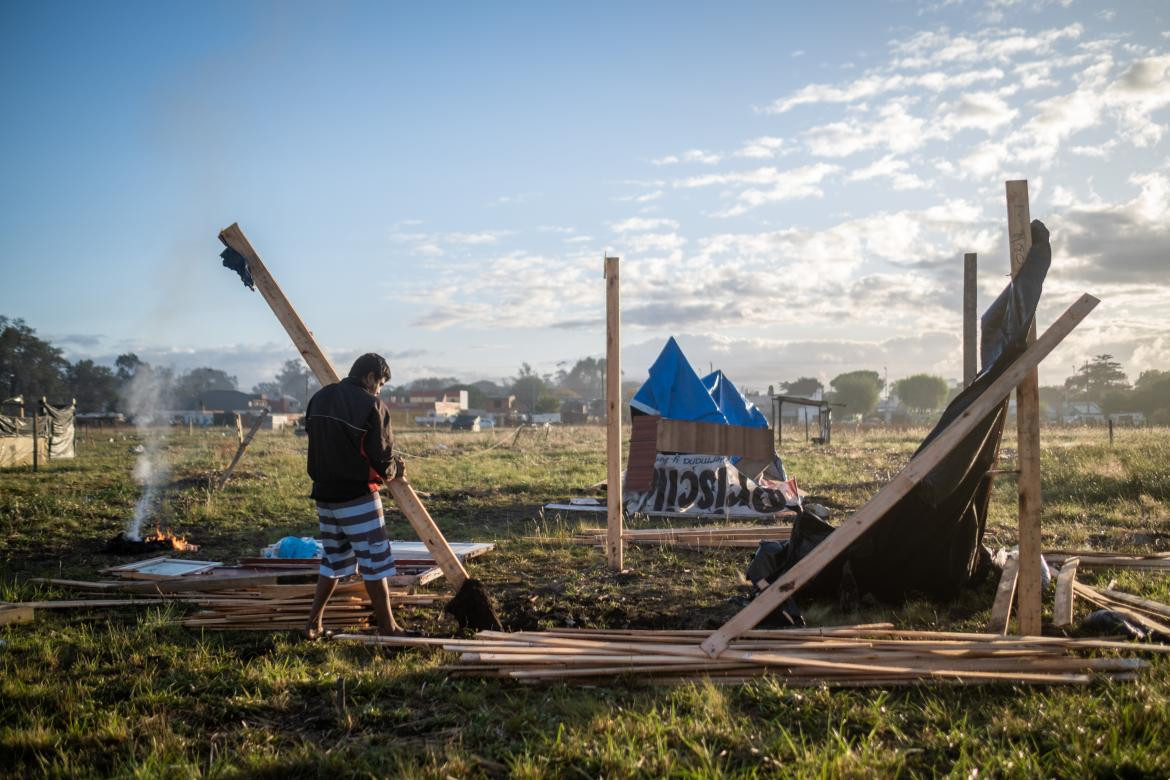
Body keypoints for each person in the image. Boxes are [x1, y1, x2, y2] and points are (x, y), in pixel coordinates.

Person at [302, 353, 406, 640]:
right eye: (381, 383)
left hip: (324, 495)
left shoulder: (320, 398)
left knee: (333, 560)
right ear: (371, 377)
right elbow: (382, 460)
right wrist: (397, 468)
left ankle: (313, 623)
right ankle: (388, 628)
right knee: (374, 562)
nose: (379, 389)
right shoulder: (372, 405)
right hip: (357, 496)